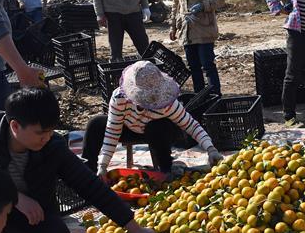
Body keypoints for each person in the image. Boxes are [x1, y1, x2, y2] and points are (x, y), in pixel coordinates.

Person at [0, 87, 162, 233]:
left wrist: (134, 229)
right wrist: (14, 197)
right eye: (40, 133)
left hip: (22, 215)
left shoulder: (52, 145)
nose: (46, 138)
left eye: (50, 131)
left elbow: (90, 186)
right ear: (15, 126)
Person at [82, 61, 223, 176]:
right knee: (95, 124)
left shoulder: (167, 102)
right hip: (129, 129)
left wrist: (210, 148)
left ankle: (166, 169)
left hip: (158, 134)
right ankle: (89, 173)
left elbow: (190, 125)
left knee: (157, 127)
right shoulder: (119, 98)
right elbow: (113, 131)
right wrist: (103, 165)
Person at [169, 0, 225, 95]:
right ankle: (200, 98)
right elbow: (176, 2)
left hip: (204, 28)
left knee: (207, 65)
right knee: (193, 67)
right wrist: (173, 26)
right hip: (186, 29)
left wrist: (203, 5)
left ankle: (215, 98)